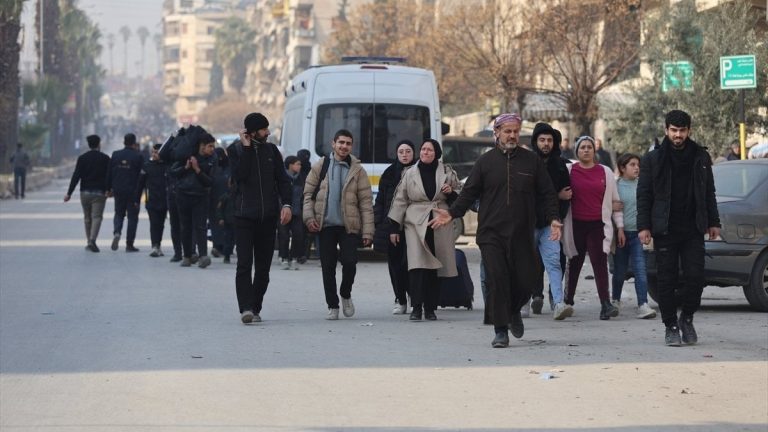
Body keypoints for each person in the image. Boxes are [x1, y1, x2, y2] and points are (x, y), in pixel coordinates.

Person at [430, 113, 561, 348]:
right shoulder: (485, 162)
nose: (512, 135)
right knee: (497, 279)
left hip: (522, 232)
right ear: (497, 133)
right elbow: (469, 193)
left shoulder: (531, 161)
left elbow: (548, 193)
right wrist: (452, 213)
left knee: (528, 278)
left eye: (515, 131)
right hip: (491, 233)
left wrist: (554, 219)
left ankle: (513, 311)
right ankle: (501, 330)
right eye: (507, 131)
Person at [637, 110, 720, 346]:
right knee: (666, 280)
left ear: (689, 131)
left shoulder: (700, 156)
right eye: (674, 130)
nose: (678, 135)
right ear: (666, 130)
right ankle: (671, 325)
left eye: (682, 131)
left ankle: (687, 318)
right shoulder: (653, 159)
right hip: (665, 228)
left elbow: (709, 192)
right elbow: (644, 194)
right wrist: (644, 226)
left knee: (696, 277)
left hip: (693, 228)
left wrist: (714, 222)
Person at [303, 129, 374, 320]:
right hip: (325, 225)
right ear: (333, 144)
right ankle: (332, 305)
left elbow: (366, 203)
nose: (344, 146)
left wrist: (368, 231)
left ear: (352, 146)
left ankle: (345, 293)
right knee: (328, 267)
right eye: (341, 142)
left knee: (350, 263)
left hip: (348, 226)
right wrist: (309, 218)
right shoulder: (321, 166)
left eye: (348, 143)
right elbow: (308, 195)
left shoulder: (358, 170)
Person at [388, 139, 460, 321]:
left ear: (437, 153)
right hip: (415, 222)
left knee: (436, 266)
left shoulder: (447, 172)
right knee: (417, 266)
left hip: (439, 221)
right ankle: (416, 307)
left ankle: (430, 308)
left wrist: (450, 192)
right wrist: (394, 227)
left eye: (429, 150)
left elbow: (461, 198)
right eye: (423, 149)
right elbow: (400, 199)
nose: (425, 152)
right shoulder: (410, 173)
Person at [233, 113, 293, 324]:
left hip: (267, 218)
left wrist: (287, 204)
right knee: (244, 264)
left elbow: (283, 180)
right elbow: (239, 176)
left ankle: (255, 307)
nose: (268, 132)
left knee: (263, 269)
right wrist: (247, 149)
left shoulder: (272, 151)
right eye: (263, 129)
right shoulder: (235, 150)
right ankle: (246, 308)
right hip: (243, 217)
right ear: (251, 132)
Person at [561, 136, 624, 321]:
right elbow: (559, 193)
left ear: (594, 151)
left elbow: (615, 202)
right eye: (582, 147)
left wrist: (620, 226)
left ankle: (605, 304)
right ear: (577, 151)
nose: (586, 150)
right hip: (575, 224)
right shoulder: (569, 170)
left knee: (600, 262)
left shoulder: (605, 172)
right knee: (574, 262)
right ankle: (568, 300)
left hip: (598, 225)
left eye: (589, 147)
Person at [528, 123, 573, 320]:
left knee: (554, 262)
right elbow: (527, 194)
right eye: (542, 140)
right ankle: (527, 300)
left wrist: (557, 217)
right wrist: (557, 195)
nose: (546, 144)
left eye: (549, 140)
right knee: (528, 263)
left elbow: (567, 194)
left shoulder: (560, 165)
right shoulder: (527, 163)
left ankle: (558, 302)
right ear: (535, 142)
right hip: (528, 223)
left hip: (550, 223)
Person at [611, 153, 657, 319]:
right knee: (619, 272)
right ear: (622, 168)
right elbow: (611, 208)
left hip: (639, 234)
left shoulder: (643, 185)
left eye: (638, 165)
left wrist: (649, 229)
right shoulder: (615, 186)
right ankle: (615, 301)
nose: (637, 168)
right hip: (621, 234)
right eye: (632, 164)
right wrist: (619, 228)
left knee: (640, 270)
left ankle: (643, 304)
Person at [373, 139, 416, 314]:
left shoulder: (418, 171)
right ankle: (400, 298)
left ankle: (414, 296)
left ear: (414, 153)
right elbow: (381, 201)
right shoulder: (389, 173)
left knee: (412, 264)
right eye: (401, 152)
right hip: (392, 227)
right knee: (395, 265)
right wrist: (380, 224)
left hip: (414, 226)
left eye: (408, 151)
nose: (404, 155)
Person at [169, 133, 216, 268]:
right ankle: (187, 256)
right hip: (183, 196)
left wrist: (197, 170)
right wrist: (186, 168)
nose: (212, 149)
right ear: (202, 146)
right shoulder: (186, 156)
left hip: (201, 197)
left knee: (201, 227)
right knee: (185, 227)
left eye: (213, 146)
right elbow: (173, 172)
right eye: (210, 146)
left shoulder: (212, 160)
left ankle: (203, 256)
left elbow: (210, 181)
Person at [64, 135, 111, 252]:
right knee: (97, 217)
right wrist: (109, 189)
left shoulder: (82, 158)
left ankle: (89, 241)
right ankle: (92, 240)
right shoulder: (105, 158)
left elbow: (76, 176)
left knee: (87, 217)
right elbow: (109, 176)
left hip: (84, 193)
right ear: (99, 144)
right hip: (99, 193)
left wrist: (69, 193)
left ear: (89, 145)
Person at [107, 133, 144, 252]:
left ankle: (117, 232)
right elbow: (142, 176)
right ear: (134, 143)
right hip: (133, 192)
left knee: (119, 213)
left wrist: (108, 188)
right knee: (132, 217)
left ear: (124, 142)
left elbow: (109, 173)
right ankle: (129, 244)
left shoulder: (115, 154)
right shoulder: (138, 156)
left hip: (118, 190)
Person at [136, 143, 169, 257]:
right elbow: (140, 184)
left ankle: (158, 245)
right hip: (151, 200)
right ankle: (154, 246)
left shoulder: (167, 167)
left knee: (161, 224)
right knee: (154, 223)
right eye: (153, 152)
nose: (155, 154)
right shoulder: (147, 166)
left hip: (164, 200)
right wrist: (136, 199)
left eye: (157, 152)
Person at [278, 156, 307, 269]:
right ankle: (284, 258)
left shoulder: (301, 178)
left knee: (298, 235)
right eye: (297, 164)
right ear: (290, 165)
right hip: (284, 211)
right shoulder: (282, 177)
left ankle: (294, 258)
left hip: (297, 212)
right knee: (284, 236)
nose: (299, 166)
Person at [209, 147, 230, 259]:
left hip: (227, 202)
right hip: (213, 201)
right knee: (215, 225)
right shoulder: (212, 168)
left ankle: (225, 248)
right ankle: (217, 246)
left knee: (226, 225)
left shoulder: (229, 168)